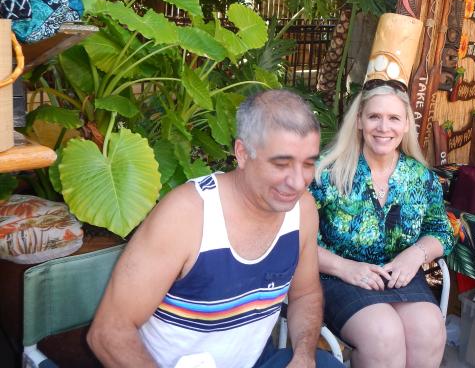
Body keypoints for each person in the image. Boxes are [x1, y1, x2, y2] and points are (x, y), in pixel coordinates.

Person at [88, 89, 343, 368]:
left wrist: (304, 356)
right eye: (282, 163)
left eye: (308, 164)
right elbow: (109, 331)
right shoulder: (187, 215)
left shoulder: (301, 209)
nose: (297, 181)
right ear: (242, 153)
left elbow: (305, 294)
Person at [309, 79, 455, 368]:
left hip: (398, 275)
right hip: (336, 276)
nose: (383, 127)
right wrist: (345, 267)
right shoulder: (328, 173)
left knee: (430, 329)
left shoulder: (419, 177)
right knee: (383, 334)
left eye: (394, 118)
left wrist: (415, 255)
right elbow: (292, 239)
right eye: (374, 116)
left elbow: (441, 231)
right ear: (359, 121)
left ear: (406, 125)